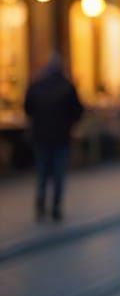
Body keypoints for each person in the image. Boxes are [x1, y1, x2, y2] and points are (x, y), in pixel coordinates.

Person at [23, 54, 83, 222]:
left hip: (40, 137)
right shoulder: (67, 87)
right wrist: (68, 123)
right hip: (61, 138)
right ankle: (56, 207)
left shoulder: (36, 85)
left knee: (42, 173)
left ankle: (40, 204)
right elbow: (78, 111)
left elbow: (27, 108)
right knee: (58, 174)